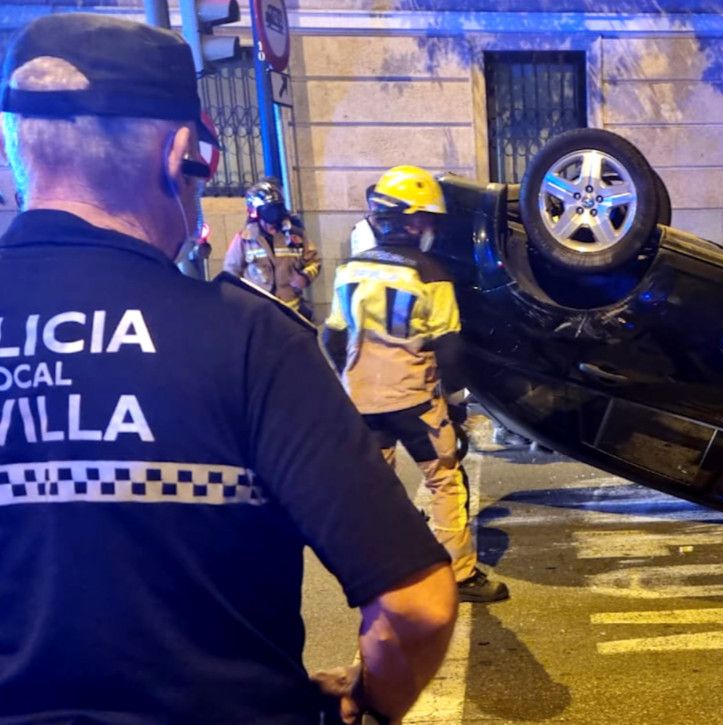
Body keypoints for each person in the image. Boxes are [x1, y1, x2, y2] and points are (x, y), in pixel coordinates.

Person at [0, 14, 457, 723]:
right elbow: (416, 605)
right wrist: (366, 705)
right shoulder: (250, 339)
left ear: (15, 149)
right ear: (177, 151)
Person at [322, 166, 510, 603]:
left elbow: (331, 336)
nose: (431, 227)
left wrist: (349, 379)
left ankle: (379, 574)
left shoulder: (349, 269)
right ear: (406, 219)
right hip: (415, 402)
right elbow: (450, 351)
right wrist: (457, 406)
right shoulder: (431, 271)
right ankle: (460, 574)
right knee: (444, 479)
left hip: (362, 402)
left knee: (374, 486)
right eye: (427, 218)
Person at [224, 177, 322, 320]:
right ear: (257, 212)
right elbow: (230, 274)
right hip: (258, 313)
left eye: (278, 208)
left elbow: (314, 262)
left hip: (291, 313)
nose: (275, 214)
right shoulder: (245, 239)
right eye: (270, 209)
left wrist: (304, 277)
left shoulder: (296, 235)